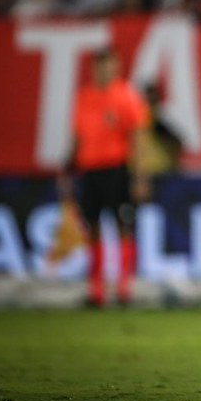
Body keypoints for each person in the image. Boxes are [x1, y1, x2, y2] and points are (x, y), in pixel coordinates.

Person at [60, 47, 150, 307]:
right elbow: (78, 137)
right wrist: (67, 168)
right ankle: (97, 290)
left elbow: (139, 139)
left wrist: (140, 177)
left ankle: (123, 289)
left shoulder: (126, 97)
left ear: (117, 67)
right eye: (101, 66)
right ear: (94, 68)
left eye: (109, 65)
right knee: (93, 228)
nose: (105, 70)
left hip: (117, 169)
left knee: (122, 225)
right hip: (90, 171)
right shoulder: (84, 96)